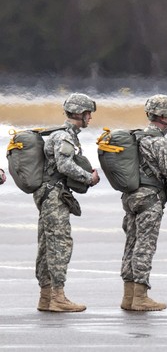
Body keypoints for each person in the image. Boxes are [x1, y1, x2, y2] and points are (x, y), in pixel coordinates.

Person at [120, 94, 167, 311]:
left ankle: (128, 296)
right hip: (150, 199)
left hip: (131, 197)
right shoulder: (159, 142)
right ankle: (140, 297)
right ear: (164, 116)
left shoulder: (136, 138)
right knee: (145, 245)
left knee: (131, 244)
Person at [34, 93, 100, 312]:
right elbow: (64, 166)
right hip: (54, 195)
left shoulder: (59, 134)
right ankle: (58, 298)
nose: (90, 118)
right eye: (88, 114)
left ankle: (46, 297)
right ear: (80, 113)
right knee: (59, 245)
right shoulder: (64, 137)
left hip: (47, 194)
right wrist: (88, 177)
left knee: (47, 245)